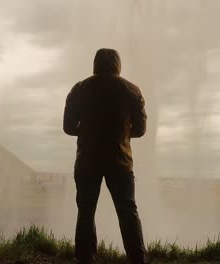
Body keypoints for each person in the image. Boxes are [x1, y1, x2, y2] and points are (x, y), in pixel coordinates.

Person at [63, 48, 147, 264]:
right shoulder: (132, 90)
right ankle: (137, 258)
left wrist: (87, 130)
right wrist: (121, 133)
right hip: (120, 161)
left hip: (87, 160)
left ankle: (85, 257)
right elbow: (140, 130)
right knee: (128, 210)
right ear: (118, 65)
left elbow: (68, 127)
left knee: (86, 211)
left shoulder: (79, 89)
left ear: (95, 64)